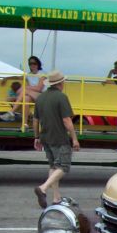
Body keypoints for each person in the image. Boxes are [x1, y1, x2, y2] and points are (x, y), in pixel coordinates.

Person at [32, 70, 80, 208]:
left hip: (45, 137)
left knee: (53, 166)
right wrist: (74, 139)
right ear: (61, 82)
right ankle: (43, 188)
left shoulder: (41, 98)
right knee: (63, 167)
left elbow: (35, 120)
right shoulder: (61, 97)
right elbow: (67, 120)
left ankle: (56, 197)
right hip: (59, 138)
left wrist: (36, 137)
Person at [1, 56, 46, 122]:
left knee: (25, 90)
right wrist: (7, 78)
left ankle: (12, 112)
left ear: (38, 64)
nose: (32, 65)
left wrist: (26, 88)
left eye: (34, 63)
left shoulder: (42, 73)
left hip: (43, 96)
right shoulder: (29, 74)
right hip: (33, 96)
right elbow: (18, 77)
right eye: (30, 64)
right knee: (26, 98)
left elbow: (39, 89)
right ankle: (25, 124)